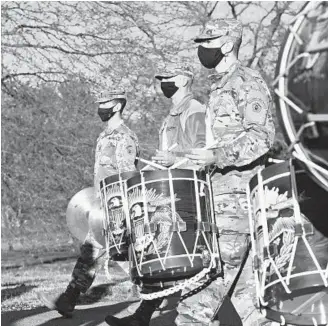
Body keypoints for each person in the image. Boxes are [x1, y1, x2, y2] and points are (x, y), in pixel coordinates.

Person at [176, 18, 275, 325]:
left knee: (198, 297)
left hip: (238, 204)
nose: (202, 50)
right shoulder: (220, 86)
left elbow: (261, 138)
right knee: (250, 303)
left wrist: (216, 155)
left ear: (227, 45)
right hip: (220, 200)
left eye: (207, 43)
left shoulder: (247, 82)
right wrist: (197, 160)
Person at [104, 62, 208, 326]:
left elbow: (204, 152)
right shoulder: (170, 116)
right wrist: (163, 163)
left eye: (168, 77)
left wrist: (174, 158)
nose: (163, 82)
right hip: (173, 190)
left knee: (188, 263)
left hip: (188, 196)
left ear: (184, 80)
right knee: (157, 253)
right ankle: (142, 317)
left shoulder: (194, 110)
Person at [38, 89, 140, 317]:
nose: (101, 106)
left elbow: (129, 176)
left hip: (116, 207)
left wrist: (122, 210)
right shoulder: (103, 136)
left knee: (121, 253)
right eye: (100, 102)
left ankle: (152, 297)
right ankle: (69, 299)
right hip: (101, 205)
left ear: (117, 106)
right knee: (94, 252)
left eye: (106, 102)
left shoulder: (124, 137)